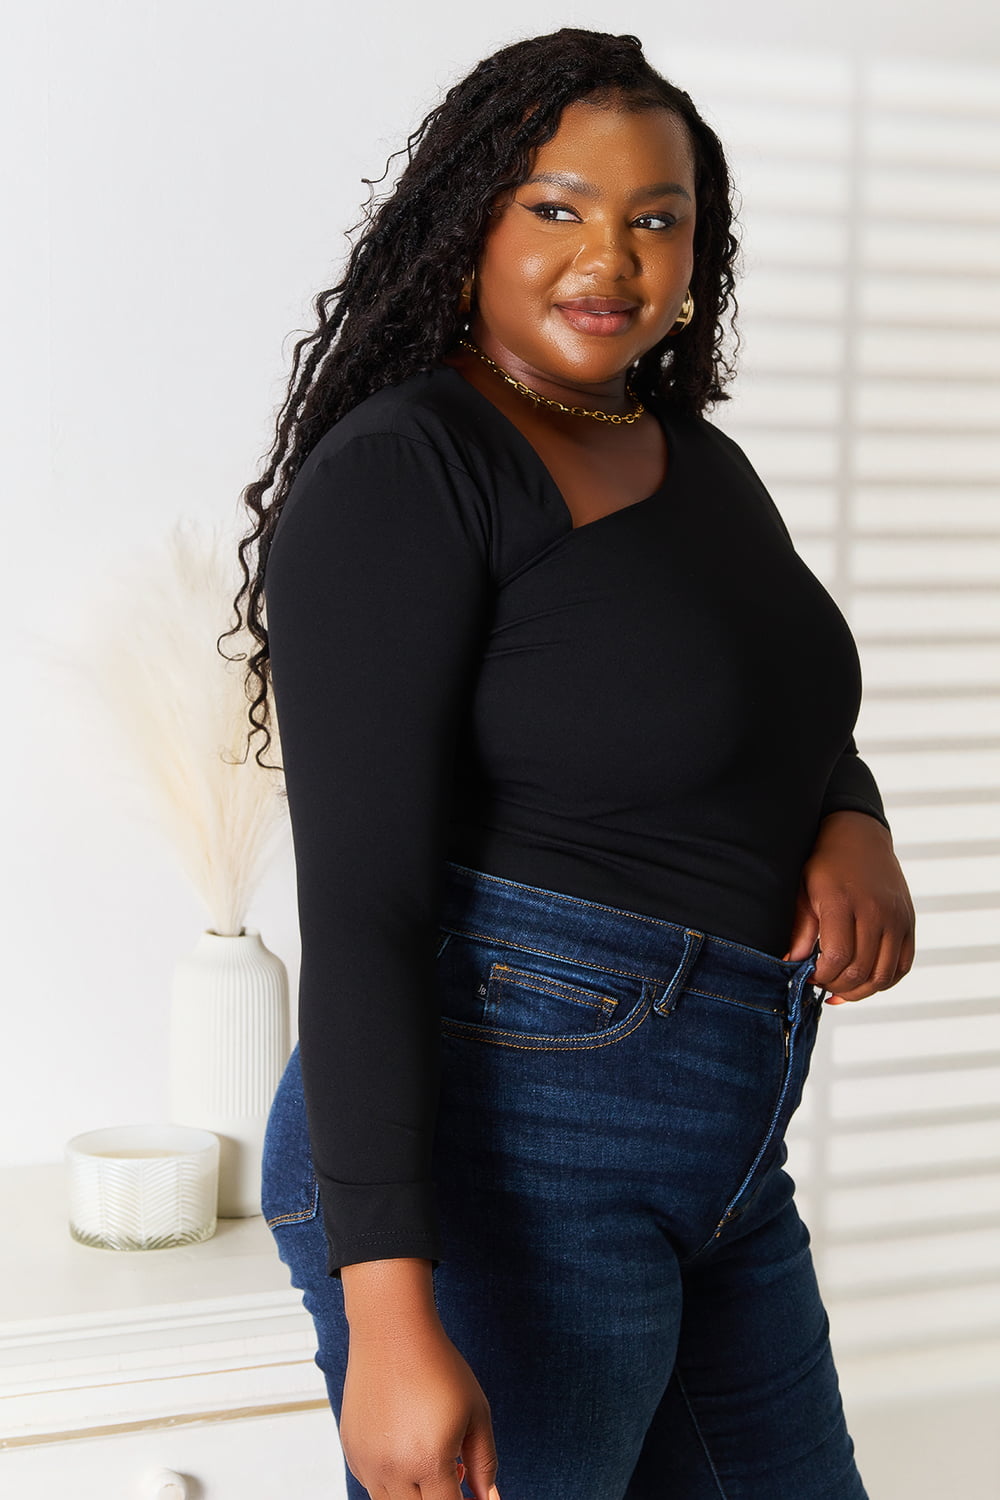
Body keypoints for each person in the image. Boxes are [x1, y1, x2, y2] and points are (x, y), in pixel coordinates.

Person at [225, 27, 916, 1500]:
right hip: (510, 1145)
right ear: (467, 215)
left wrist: (850, 816)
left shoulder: (691, 458)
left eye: (655, 219)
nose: (609, 257)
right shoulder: (409, 469)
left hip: (721, 1137)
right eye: (556, 208)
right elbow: (365, 911)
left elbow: (765, 697)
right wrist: (392, 1315)